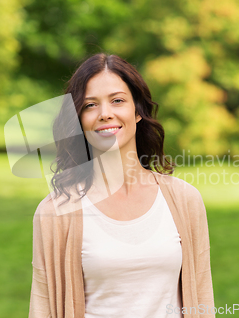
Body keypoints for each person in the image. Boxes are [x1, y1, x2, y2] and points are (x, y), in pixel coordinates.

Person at [28, 53, 215, 318]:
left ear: (137, 111)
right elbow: (42, 307)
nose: (105, 114)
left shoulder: (184, 199)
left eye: (117, 101)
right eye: (90, 105)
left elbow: (203, 298)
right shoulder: (55, 213)